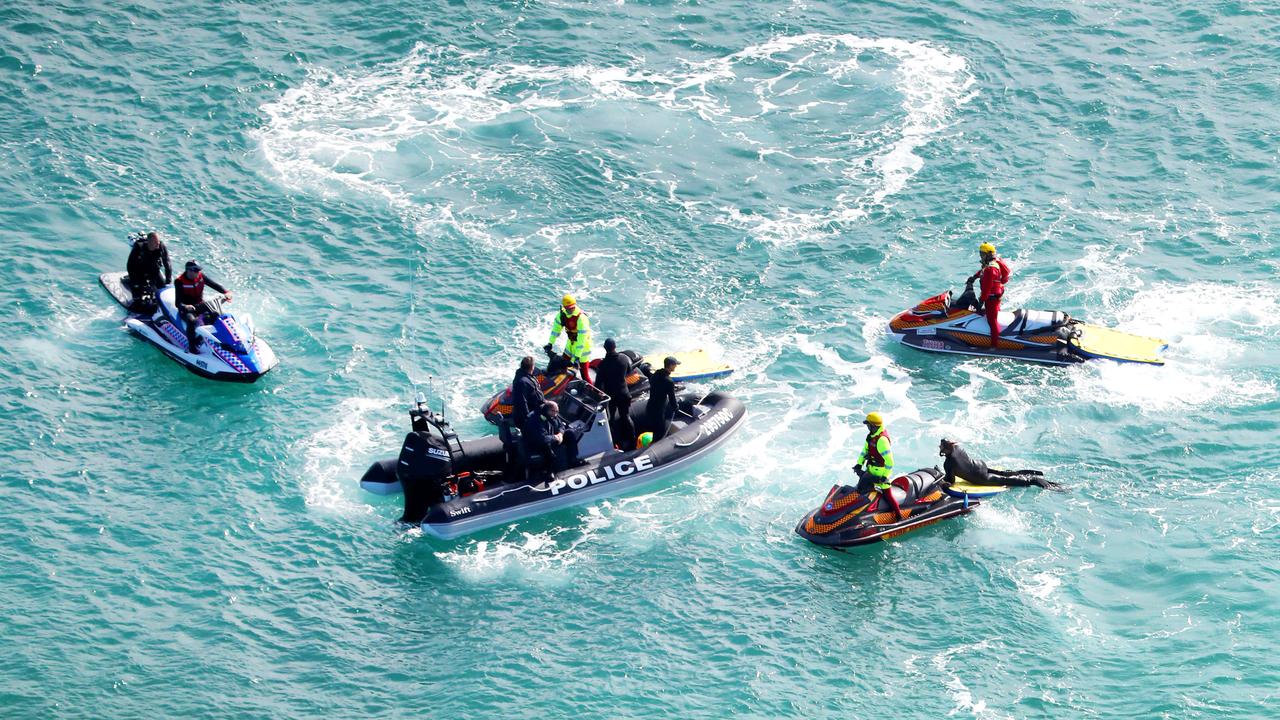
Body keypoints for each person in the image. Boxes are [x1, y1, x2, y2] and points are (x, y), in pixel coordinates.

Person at [938, 439, 1062, 490]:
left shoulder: (948, 463)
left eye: (940, 447)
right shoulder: (957, 447)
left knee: (1010, 480)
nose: (939, 448)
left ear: (945, 450)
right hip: (981, 465)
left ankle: (1036, 480)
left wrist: (942, 483)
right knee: (1004, 474)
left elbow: (951, 481)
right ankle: (1025, 472)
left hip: (982, 478)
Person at [173, 260, 232, 352]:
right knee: (192, 321)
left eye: (198, 270)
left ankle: (220, 340)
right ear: (189, 271)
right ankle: (192, 346)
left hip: (200, 305)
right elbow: (178, 303)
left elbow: (214, 285)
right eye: (196, 271)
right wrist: (185, 306)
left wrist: (226, 292)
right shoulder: (179, 281)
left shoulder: (200, 276)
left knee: (216, 315)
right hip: (187, 309)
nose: (198, 272)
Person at [853, 411, 902, 520]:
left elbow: (890, 462)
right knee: (860, 489)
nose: (867, 427)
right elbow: (864, 452)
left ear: (873, 426)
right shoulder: (870, 436)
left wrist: (884, 477)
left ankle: (899, 517)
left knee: (888, 495)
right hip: (870, 470)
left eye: (868, 425)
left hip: (880, 473)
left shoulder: (882, 441)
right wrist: (859, 464)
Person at [966, 242, 1011, 348]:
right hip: (997, 294)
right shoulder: (995, 263)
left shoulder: (990, 270)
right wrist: (974, 277)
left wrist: (981, 301)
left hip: (991, 299)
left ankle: (994, 346)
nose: (981, 256)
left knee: (992, 320)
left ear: (987, 254)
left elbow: (986, 289)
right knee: (995, 315)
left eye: (982, 254)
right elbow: (983, 271)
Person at [594, 338, 636, 448]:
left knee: (611, 419)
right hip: (624, 393)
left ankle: (616, 442)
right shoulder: (623, 358)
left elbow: (598, 385)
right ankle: (633, 441)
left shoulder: (602, 365)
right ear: (615, 346)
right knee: (626, 416)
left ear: (605, 348)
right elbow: (629, 371)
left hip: (611, 396)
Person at [544, 294, 593, 385]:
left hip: (583, 348)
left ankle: (597, 393)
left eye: (572, 308)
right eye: (568, 308)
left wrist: (576, 357)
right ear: (564, 307)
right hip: (570, 344)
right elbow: (555, 330)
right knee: (561, 367)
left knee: (584, 375)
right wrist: (550, 343)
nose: (570, 310)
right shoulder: (562, 315)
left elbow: (582, 340)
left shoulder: (581, 318)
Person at [524, 401, 576, 472]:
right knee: (547, 447)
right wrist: (555, 437)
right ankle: (549, 470)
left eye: (557, 411)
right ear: (547, 410)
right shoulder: (535, 419)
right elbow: (541, 438)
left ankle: (573, 460)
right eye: (553, 411)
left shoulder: (553, 414)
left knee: (570, 433)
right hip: (538, 443)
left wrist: (560, 434)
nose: (555, 414)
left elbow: (561, 426)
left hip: (552, 437)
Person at [640, 356, 680, 442]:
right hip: (659, 411)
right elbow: (672, 399)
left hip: (650, 407)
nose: (676, 366)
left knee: (650, 429)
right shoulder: (669, 381)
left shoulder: (656, 374)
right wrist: (676, 408)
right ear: (670, 366)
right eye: (675, 365)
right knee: (659, 433)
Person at [126, 231, 172, 302]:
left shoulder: (161, 246)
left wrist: (168, 281)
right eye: (156, 243)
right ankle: (130, 282)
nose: (158, 244)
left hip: (154, 269)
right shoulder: (139, 247)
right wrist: (134, 280)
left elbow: (167, 263)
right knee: (138, 293)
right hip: (139, 270)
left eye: (158, 242)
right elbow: (130, 265)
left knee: (162, 287)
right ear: (149, 242)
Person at [510, 356, 544, 427]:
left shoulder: (526, 376)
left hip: (536, 409)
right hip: (528, 416)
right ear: (532, 367)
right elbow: (522, 402)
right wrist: (529, 418)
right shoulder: (522, 382)